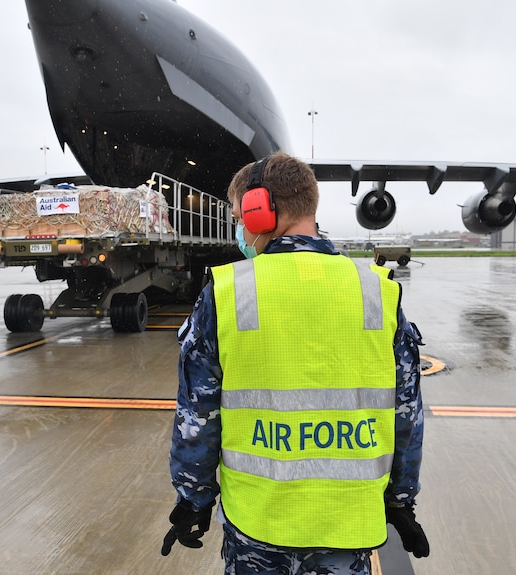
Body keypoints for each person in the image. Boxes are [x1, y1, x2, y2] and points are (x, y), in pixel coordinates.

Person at [161, 151, 428, 574]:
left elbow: (198, 414)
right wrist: (400, 501)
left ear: (260, 211)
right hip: (348, 527)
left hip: (258, 526)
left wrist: (194, 500)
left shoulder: (227, 292)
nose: (239, 228)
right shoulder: (376, 291)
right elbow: (407, 414)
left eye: (238, 215)